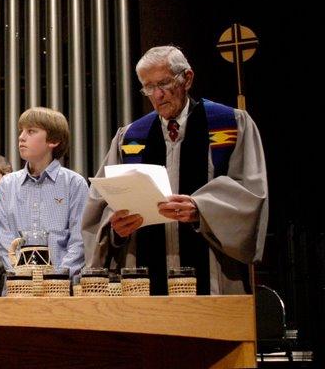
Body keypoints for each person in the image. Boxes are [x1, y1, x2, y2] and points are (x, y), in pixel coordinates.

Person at [82, 45, 268, 295]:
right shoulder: (130, 137)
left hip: (214, 275)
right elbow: (99, 207)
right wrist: (116, 230)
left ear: (187, 79)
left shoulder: (230, 125)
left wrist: (201, 210)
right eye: (148, 87)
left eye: (164, 84)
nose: (157, 95)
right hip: (144, 282)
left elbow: (250, 195)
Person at [0, 108, 88, 281]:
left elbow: (79, 243)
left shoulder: (74, 184)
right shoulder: (7, 185)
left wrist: (55, 279)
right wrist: (22, 278)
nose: (21, 137)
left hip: (61, 289)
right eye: (21, 131)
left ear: (53, 140)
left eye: (31, 131)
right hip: (18, 288)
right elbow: (5, 243)